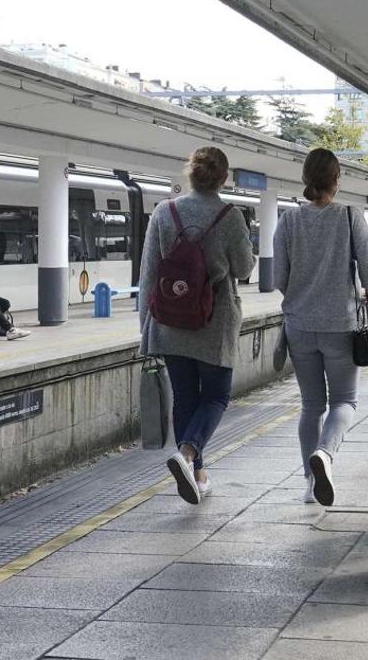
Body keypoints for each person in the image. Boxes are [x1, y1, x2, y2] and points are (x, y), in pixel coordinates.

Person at [139, 146, 256, 504]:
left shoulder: (164, 211)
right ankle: (189, 457)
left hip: (170, 323)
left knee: (186, 399)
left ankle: (198, 474)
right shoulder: (230, 216)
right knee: (217, 395)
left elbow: (149, 273)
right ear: (223, 178)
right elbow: (244, 269)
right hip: (214, 321)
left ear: (189, 173)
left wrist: (146, 328)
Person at [274, 148, 368, 506]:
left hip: (300, 327)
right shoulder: (351, 216)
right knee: (346, 401)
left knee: (310, 406)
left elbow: (279, 279)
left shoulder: (288, 221)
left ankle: (309, 483)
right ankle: (325, 455)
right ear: (337, 180)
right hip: (340, 325)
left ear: (306, 180)